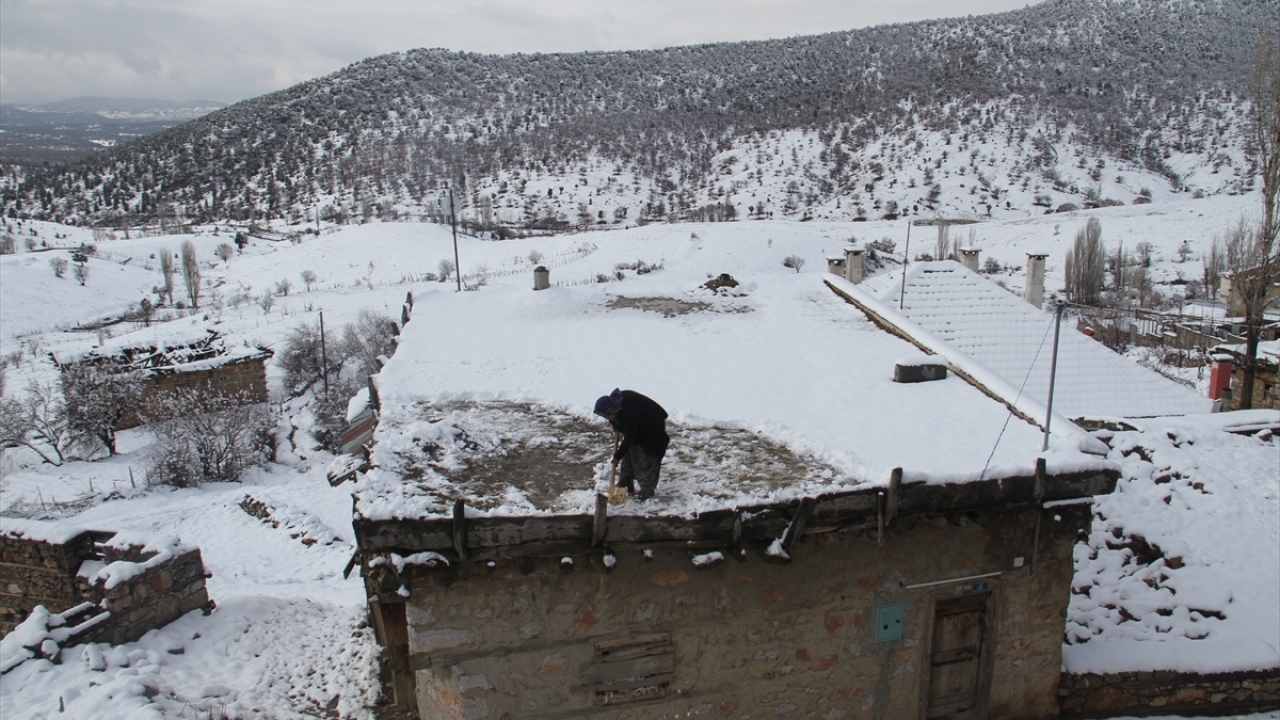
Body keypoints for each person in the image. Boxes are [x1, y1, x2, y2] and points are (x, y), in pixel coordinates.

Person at [593, 388, 669, 500]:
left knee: (646, 459)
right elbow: (625, 430)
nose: (608, 418)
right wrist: (616, 425)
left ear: (613, 409)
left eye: (608, 415)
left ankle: (647, 489)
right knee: (629, 452)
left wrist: (617, 456)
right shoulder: (617, 404)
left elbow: (630, 437)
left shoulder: (629, 411)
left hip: (652, 429)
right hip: (638, 425)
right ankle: (625, 482)